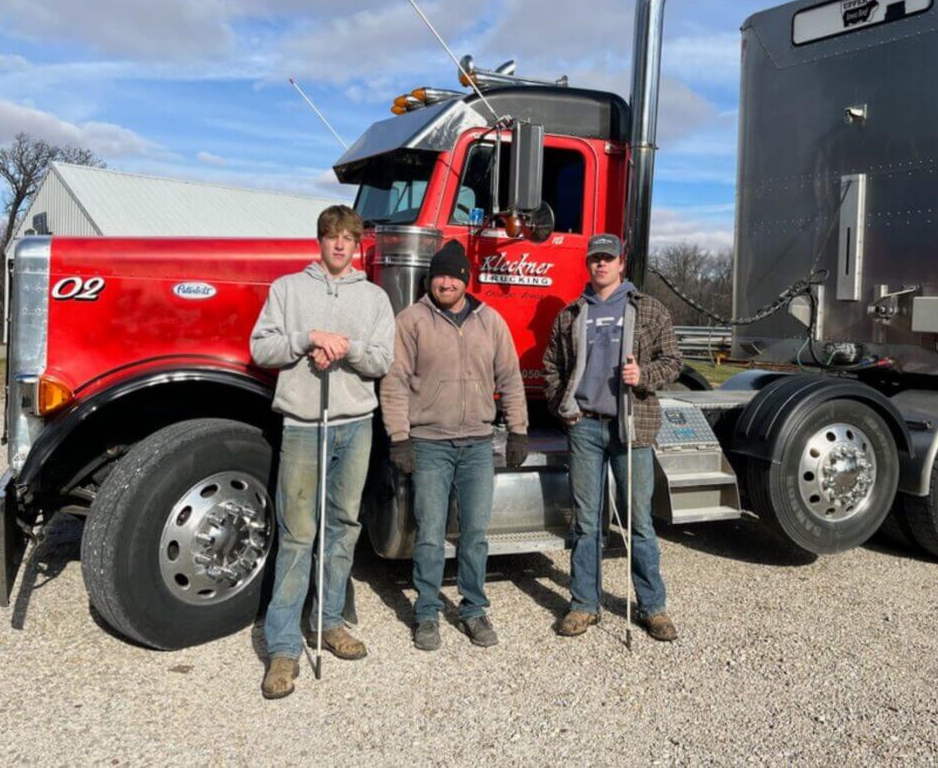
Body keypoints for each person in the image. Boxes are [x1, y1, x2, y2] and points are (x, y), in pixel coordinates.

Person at [249, 205, 395, 700]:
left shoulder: (375, 297)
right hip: (304, 426)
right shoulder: (288, 290)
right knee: (297, 533)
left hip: (355, 425)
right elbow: (261, 349)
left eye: (348, 239)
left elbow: (381, 360)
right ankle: (284, 647)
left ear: (357, 246)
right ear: (320, 241)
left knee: (342, 527)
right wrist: (307, 338)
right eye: (332, 237)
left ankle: (329, 621)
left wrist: (344, 346)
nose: (340, 246)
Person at [380, 239, 529, 651]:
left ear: (466, 279)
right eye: (439, 275)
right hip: (429, 444)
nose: (445, 282)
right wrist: (399, 437)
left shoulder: (491, 322)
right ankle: (427, 612)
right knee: (429, 533)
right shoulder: (411, 321)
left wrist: (518, 430)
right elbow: (393, 382)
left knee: (475, 533)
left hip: (479, 444)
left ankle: (473, 608)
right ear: (430, 279)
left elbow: (511, 379)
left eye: (453, 275)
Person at [542, 233, 682, 642]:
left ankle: (653, 607)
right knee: (586, 524)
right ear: (588, 265)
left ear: (622, 263)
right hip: (584, 426)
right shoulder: (571, 314)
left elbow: (673, 361)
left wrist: (644, 377)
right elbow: (552, 364)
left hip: (632, 427)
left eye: (608, 258)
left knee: (639, 522)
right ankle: (584, 605)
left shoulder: (649, 310)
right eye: (595, 259)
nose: (600, 264)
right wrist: (561, 405)